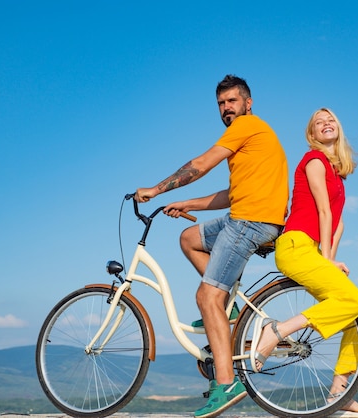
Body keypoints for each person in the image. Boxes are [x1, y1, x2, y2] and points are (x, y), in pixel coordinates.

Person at [135, 75, 289, 418]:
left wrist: (157, 191)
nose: (226, 109)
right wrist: (188, 203)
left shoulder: (246, 126)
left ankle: (227, 382)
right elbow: (231, 196)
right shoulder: (249, 139)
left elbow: (201, 164)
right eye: (221, 104)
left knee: (206, 297)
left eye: (232, 101)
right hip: (246, 216)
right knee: (189, 238)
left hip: (250, 222)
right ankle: (230, 307)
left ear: (248, 103)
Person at [250, 108, 358, 416]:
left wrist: (327, 258)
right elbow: (324, 214)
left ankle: (339, 391)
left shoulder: (339, 176)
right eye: (319, 123)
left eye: (330, 119)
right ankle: (277, 332)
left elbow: (338, 225)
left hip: (310, 250)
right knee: (354, 297)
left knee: (356, 313)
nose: (326, 123)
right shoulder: (314, 161)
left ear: (339, 129)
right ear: (313, 136)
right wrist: (328, 261)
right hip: (295, 246)